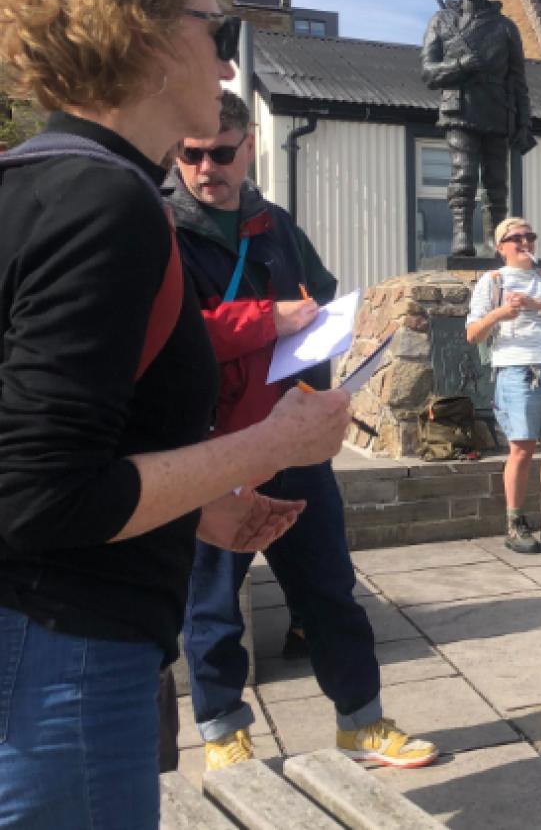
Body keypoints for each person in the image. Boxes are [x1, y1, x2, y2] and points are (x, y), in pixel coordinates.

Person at [0, 0, 351, 824]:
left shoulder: (34, 182)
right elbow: (39, 495)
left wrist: (202, 506)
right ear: (146, 36)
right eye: (217, 30)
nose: (229, 65)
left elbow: (59, 444)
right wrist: (274, 443)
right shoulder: (107, 206)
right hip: (64, 654)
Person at [171, 92, 437, 772]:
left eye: (220, 153)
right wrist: (270, 320)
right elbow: (171, 337)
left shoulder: (276, 226)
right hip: (215, 450)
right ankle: (223, 735)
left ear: (248, 147)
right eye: (191, 154)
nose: (205, 168)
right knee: (212, 604)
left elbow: (316, 300)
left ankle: (362, 723)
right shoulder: (159, 226)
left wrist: (320, 352)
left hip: (293, 440)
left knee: (328, 588)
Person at [467, 216, 541, 552]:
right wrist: (500, 314)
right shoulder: (492, 281)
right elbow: (473, 334)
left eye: (529, 236)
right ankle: (515, 522)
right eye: (516, 238)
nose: (525, 242)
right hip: (518, 369)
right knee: (522, 448)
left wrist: (536, 304)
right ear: (500, 247)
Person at [419, 0, 534, 256]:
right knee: (464, 173)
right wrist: (460, 65)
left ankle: (498, 240)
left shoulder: (506, 28)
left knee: (497, 183)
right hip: (459, 109)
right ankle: (461, 236)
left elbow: (518, 81)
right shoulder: (441, 21)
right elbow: (428, 72)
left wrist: (524, 122)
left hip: (497, 110)